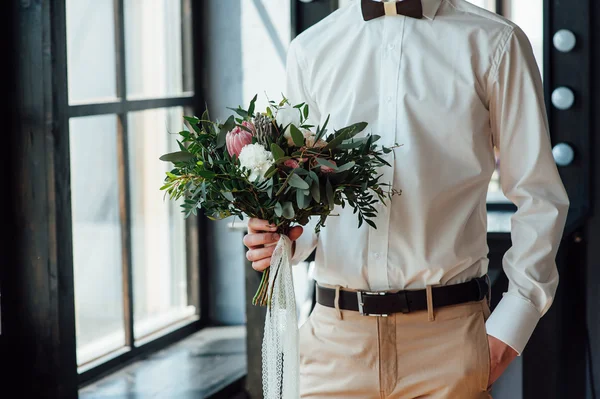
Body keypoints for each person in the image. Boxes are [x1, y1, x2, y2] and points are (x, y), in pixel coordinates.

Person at [243, 0, 570, 397]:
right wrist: (285, 240)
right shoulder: (311, 48)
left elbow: (539, 196)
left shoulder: (496, 43)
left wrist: (510, 328)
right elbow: (310, 198)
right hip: (332, 347)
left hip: (448, 345)